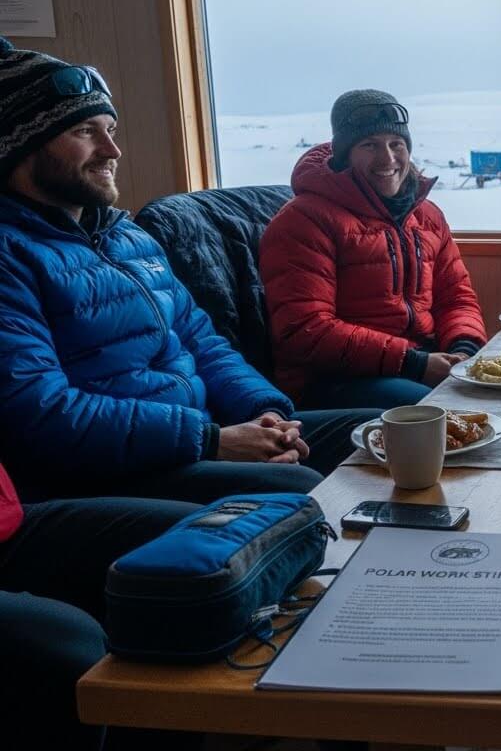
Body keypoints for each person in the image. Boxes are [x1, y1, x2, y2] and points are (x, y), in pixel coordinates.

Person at [0, 39, 379, 503]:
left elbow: (202, 341)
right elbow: (41, 415)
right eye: (85, 131)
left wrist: (265, 411)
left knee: (386, 432)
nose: (112, 149)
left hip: (195, 433)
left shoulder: (127, 237)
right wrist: (212, 441)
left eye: (111, 129)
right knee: (297, 490)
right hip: (103, 472)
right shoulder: (10, 255)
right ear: (19, 145)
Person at [260, 89, 486, 410]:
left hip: (422, 360)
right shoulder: (303, 221)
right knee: (446, 413)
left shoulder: (427, 216)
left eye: (396, 144)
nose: (387, 158)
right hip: (334, 379)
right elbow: (305, 330)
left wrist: (463, 350)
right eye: (369, 145)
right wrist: (414, 363)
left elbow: (456, 298)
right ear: (343, 156)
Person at [0, 460, 199, 749]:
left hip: (8, 522)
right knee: (63, 645)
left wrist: (269, 412)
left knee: (190, 546)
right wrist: (210, 439)